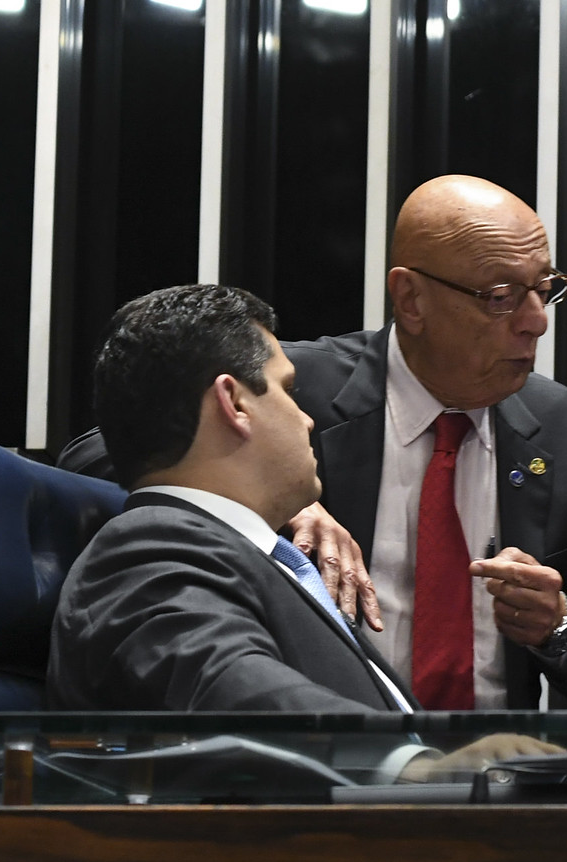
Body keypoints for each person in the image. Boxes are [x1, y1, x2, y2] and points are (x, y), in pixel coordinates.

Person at [60, 176, 567, 711]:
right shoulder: (293, 389)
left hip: (502, 770)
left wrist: (559, 623)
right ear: (410, 299)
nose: (536, 321)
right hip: (331, 770)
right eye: (501, 296)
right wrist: (273, 504)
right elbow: (117, 448)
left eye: (545, 290)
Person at [49, 285, 419, 713]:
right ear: (234, 402)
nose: (306, 419)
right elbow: (237, 694)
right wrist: (416, 763)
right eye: (288, 390)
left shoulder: (256, 559)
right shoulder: (148, 550)